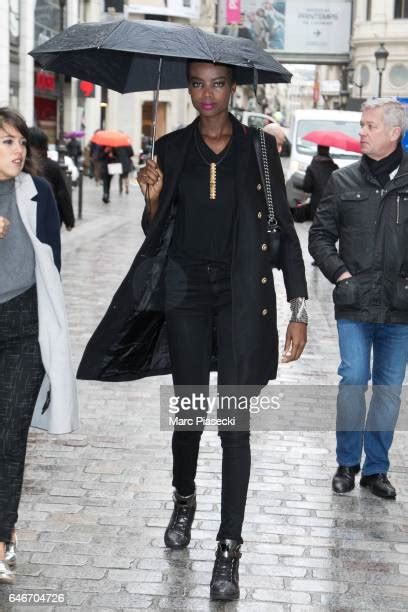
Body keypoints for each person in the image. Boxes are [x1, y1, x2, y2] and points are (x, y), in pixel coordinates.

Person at [77, 61, 307, 601]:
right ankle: (184, 497)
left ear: (233, 88)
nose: (208, 93)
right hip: (185, 294)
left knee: (234, 426)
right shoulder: (173, 148)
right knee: (188, 414)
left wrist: (298, 307)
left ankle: (229, 548)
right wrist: (152, 196)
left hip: (241, 298)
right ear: (189, 88)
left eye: (218, 83)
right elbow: (157, 229)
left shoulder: (258, 148)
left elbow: (284, 237)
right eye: (198, 83)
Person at [309, 97, 408, 500]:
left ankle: (376, 470)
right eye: (362, 125)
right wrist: (340, 273)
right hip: (354, 301)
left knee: (388, 388)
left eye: (369, 126)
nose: (361, 132)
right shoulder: (342, 180)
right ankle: (347, 463)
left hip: (400, 307)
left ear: (393, 132)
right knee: (353, 379)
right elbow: (319, 236)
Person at [0, 108, 79, 584]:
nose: (18, 150)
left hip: (25, 327)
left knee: (8, 437)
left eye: (19, 142)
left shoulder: (38, 193)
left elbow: (53, 268)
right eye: (6, 141)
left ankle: (2, 538)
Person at [28, 126, 75, 231]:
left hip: (49, 217)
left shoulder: (51, 167)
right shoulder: (21, 166)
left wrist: (69, 220)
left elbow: (62, 194)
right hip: (40, 218)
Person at [302, 144, 338, 221]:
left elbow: (306, 187)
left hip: (315, 206)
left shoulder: (311, 167)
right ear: (328, 150)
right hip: (331, 206)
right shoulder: (335, 168)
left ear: (318, 150)